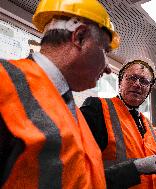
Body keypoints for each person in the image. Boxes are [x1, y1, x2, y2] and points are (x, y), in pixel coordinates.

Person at [0, 0, 120, 188]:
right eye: (105, 50)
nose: (108, 69)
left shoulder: (69, 108)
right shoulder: (4, 82)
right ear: (79, 37)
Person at [81, 59, 156, 189]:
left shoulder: (148, 124)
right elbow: (79, 172)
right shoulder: (97, 108)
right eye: (131, 78)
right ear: (120, 82)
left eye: (144, 81)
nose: (137, 84)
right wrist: (135, 168)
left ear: (149, 89)